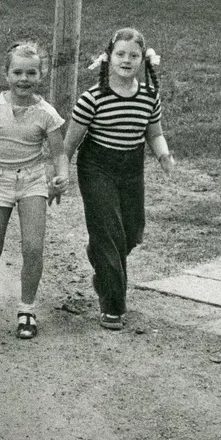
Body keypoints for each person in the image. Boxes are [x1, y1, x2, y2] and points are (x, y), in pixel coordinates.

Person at [63, 28, 174, 332]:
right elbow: (70, 144)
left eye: (134, 55)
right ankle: (113, 305)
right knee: (110, 233)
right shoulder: (92, 98)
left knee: (132, 231)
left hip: (131, 167)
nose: (127, 60)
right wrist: (60, 173)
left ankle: (99, 252)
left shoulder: (149, 96)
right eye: (121, 54)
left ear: (143, 60)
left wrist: (164, 156)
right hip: (97, 166)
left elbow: (155, 132)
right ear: (108, 58)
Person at [0, 42, 69, 340]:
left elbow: (58, 153)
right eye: (17, 72)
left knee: (33, 247)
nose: (23, 79)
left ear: (41, 75)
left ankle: (27, 309)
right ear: (6, 73)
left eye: (31, 73)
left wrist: (62, 175)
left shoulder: (47, 113)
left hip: (32, 182)